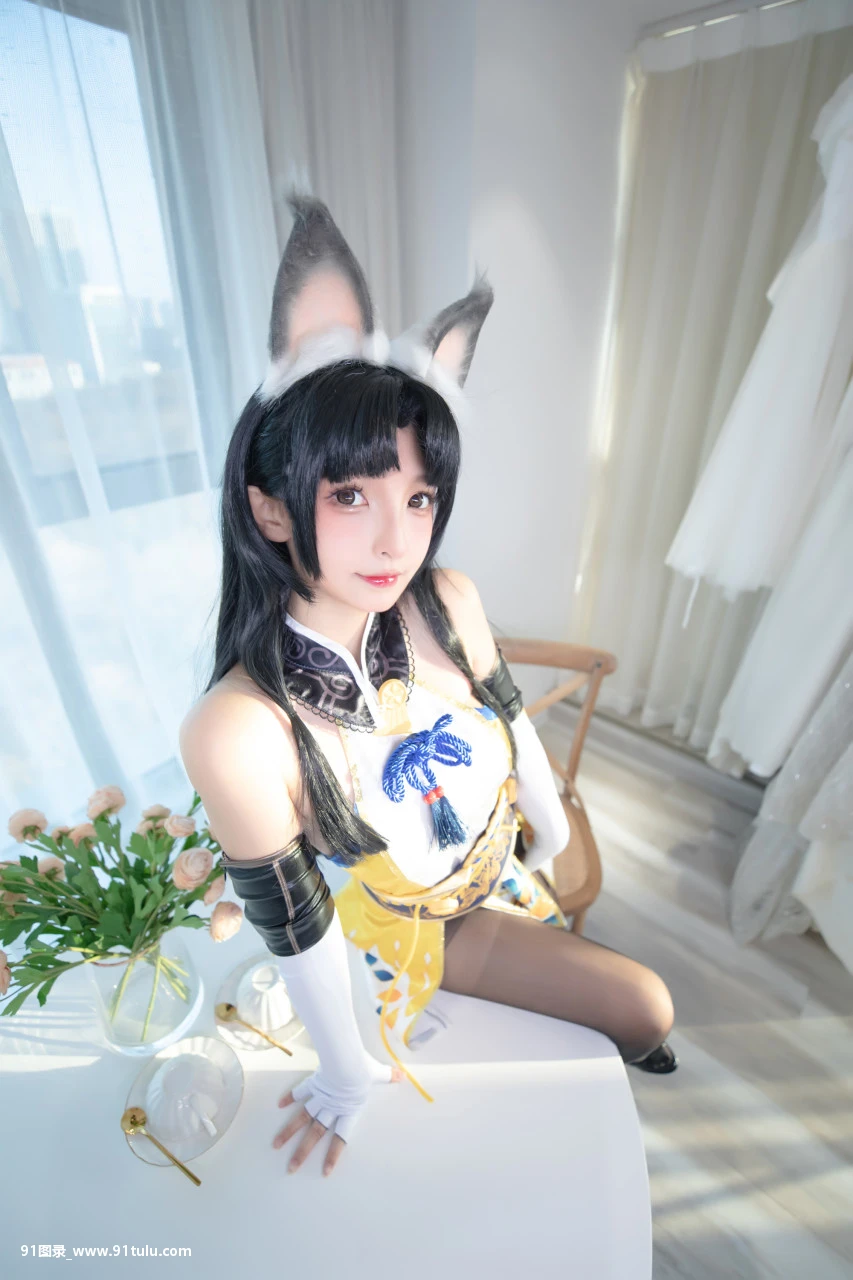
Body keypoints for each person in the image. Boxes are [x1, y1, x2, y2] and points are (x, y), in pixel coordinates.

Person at [179, 192, 677, 1180]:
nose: (394, 538)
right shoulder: (236, 727)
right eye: (350, 494)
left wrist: (552, 830)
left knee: (639, 1015)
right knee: (638, 1011)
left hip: (505, 872)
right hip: (404, 933)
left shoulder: (443, 599)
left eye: (417, 496)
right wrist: (345, 1073)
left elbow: (511, 726)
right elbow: (298, 928)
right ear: (271, 510)